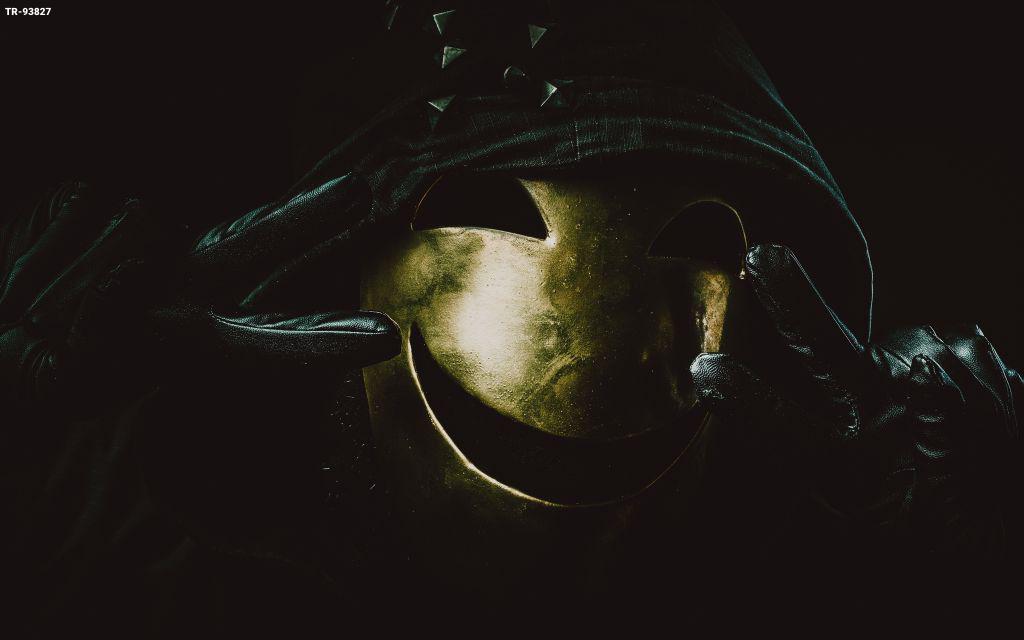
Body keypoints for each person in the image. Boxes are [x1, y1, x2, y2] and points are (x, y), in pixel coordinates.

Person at [2, 0, 1020, 631]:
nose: (591, 319)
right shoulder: (123, 569)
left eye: (686, 241)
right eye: (492, 212)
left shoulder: (842, 583)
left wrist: (973, 576)